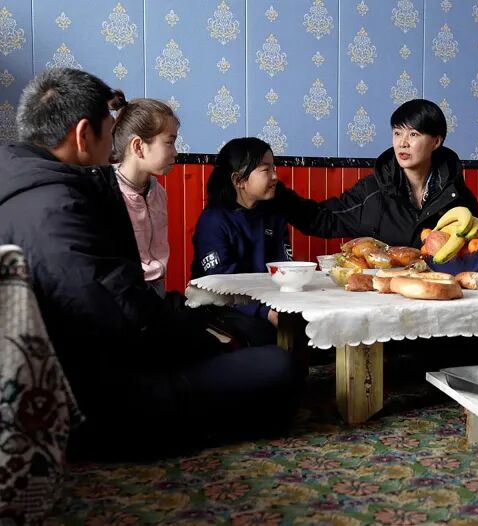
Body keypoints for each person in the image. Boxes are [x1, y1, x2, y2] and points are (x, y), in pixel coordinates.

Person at [0, 68, 302, 460]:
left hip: (100, 361)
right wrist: (191, 339)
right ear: (83, 134)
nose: (113, 143)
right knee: (280, 368)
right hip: (101, 394)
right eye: (110, 130)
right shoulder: (60, 206)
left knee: (239, 350)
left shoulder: (25, 184)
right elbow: (116, 317)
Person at [272, 98, 478, 248]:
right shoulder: (372, 191)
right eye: (397, 133)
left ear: (436, 142)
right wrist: (274, 190)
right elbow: (322, 220)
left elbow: (471, 248)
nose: (402, 143)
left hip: (438, 288)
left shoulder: (458, 197)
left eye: (414, 134)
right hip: (383, 291)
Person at [191, 137, 291, 345]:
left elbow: (284, 268)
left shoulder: (274, 216)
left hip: (268, 302)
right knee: (265, 336)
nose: (275, 176)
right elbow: (221, 282)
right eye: (266, 170)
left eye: (274, 168)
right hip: (222, 307)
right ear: (239, 181)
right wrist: (265, 311)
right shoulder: (213, 221)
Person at [111, 96, 178, 297]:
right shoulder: (109, 193)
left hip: (156, 292)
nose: (175, 152)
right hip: (122, 295)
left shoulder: (158, 192)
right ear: (138, 147)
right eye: (170, 142)